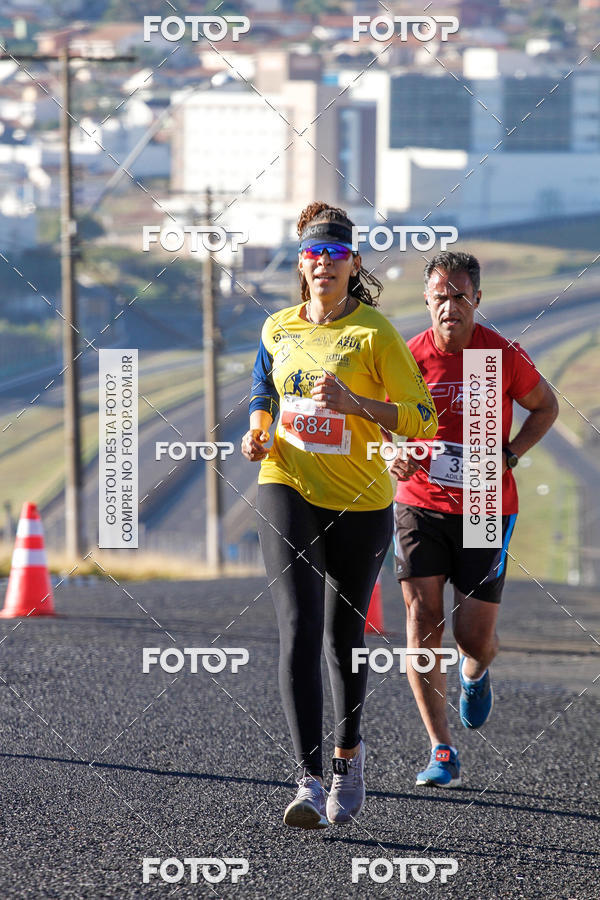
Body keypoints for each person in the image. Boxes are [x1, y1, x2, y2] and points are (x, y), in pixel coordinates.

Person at [241, 202, 437, 829]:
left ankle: (348, 760)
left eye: (335, 255)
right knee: (296, 625)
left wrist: (356, 403)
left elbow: (422, 416)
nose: (323, 264)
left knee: (341, 640)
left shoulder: (375, 333)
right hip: (288, 479)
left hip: (360, 499)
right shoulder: (278, 327)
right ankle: (306, 777)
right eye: (313, 254)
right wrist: (258, 428)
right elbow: (264, 387)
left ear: (353, 265)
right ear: (301, 264)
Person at [391, 251, 559, 787]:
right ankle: (442, 750)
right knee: (422, 625)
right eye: (441, 296)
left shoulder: (501, 355)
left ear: (477, 301)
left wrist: (510, 455)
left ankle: (477, 671)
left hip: (487, 507)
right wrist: (391, 451)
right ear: (426, 300)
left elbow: (545, 406)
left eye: (460, 296)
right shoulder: (407, 356)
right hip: (418, 502)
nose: (450, 306)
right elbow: (376, 417)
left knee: (472, 637)